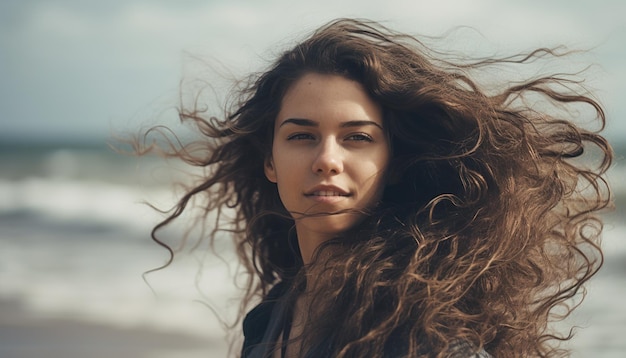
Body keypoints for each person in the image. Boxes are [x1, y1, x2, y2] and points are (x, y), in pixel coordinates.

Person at [138, 19, 613, 357]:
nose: (327, 158)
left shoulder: (425, 337)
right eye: (302, 136)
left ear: (394, 164)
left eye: (357, 138)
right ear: (270, 161)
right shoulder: (270, 321)